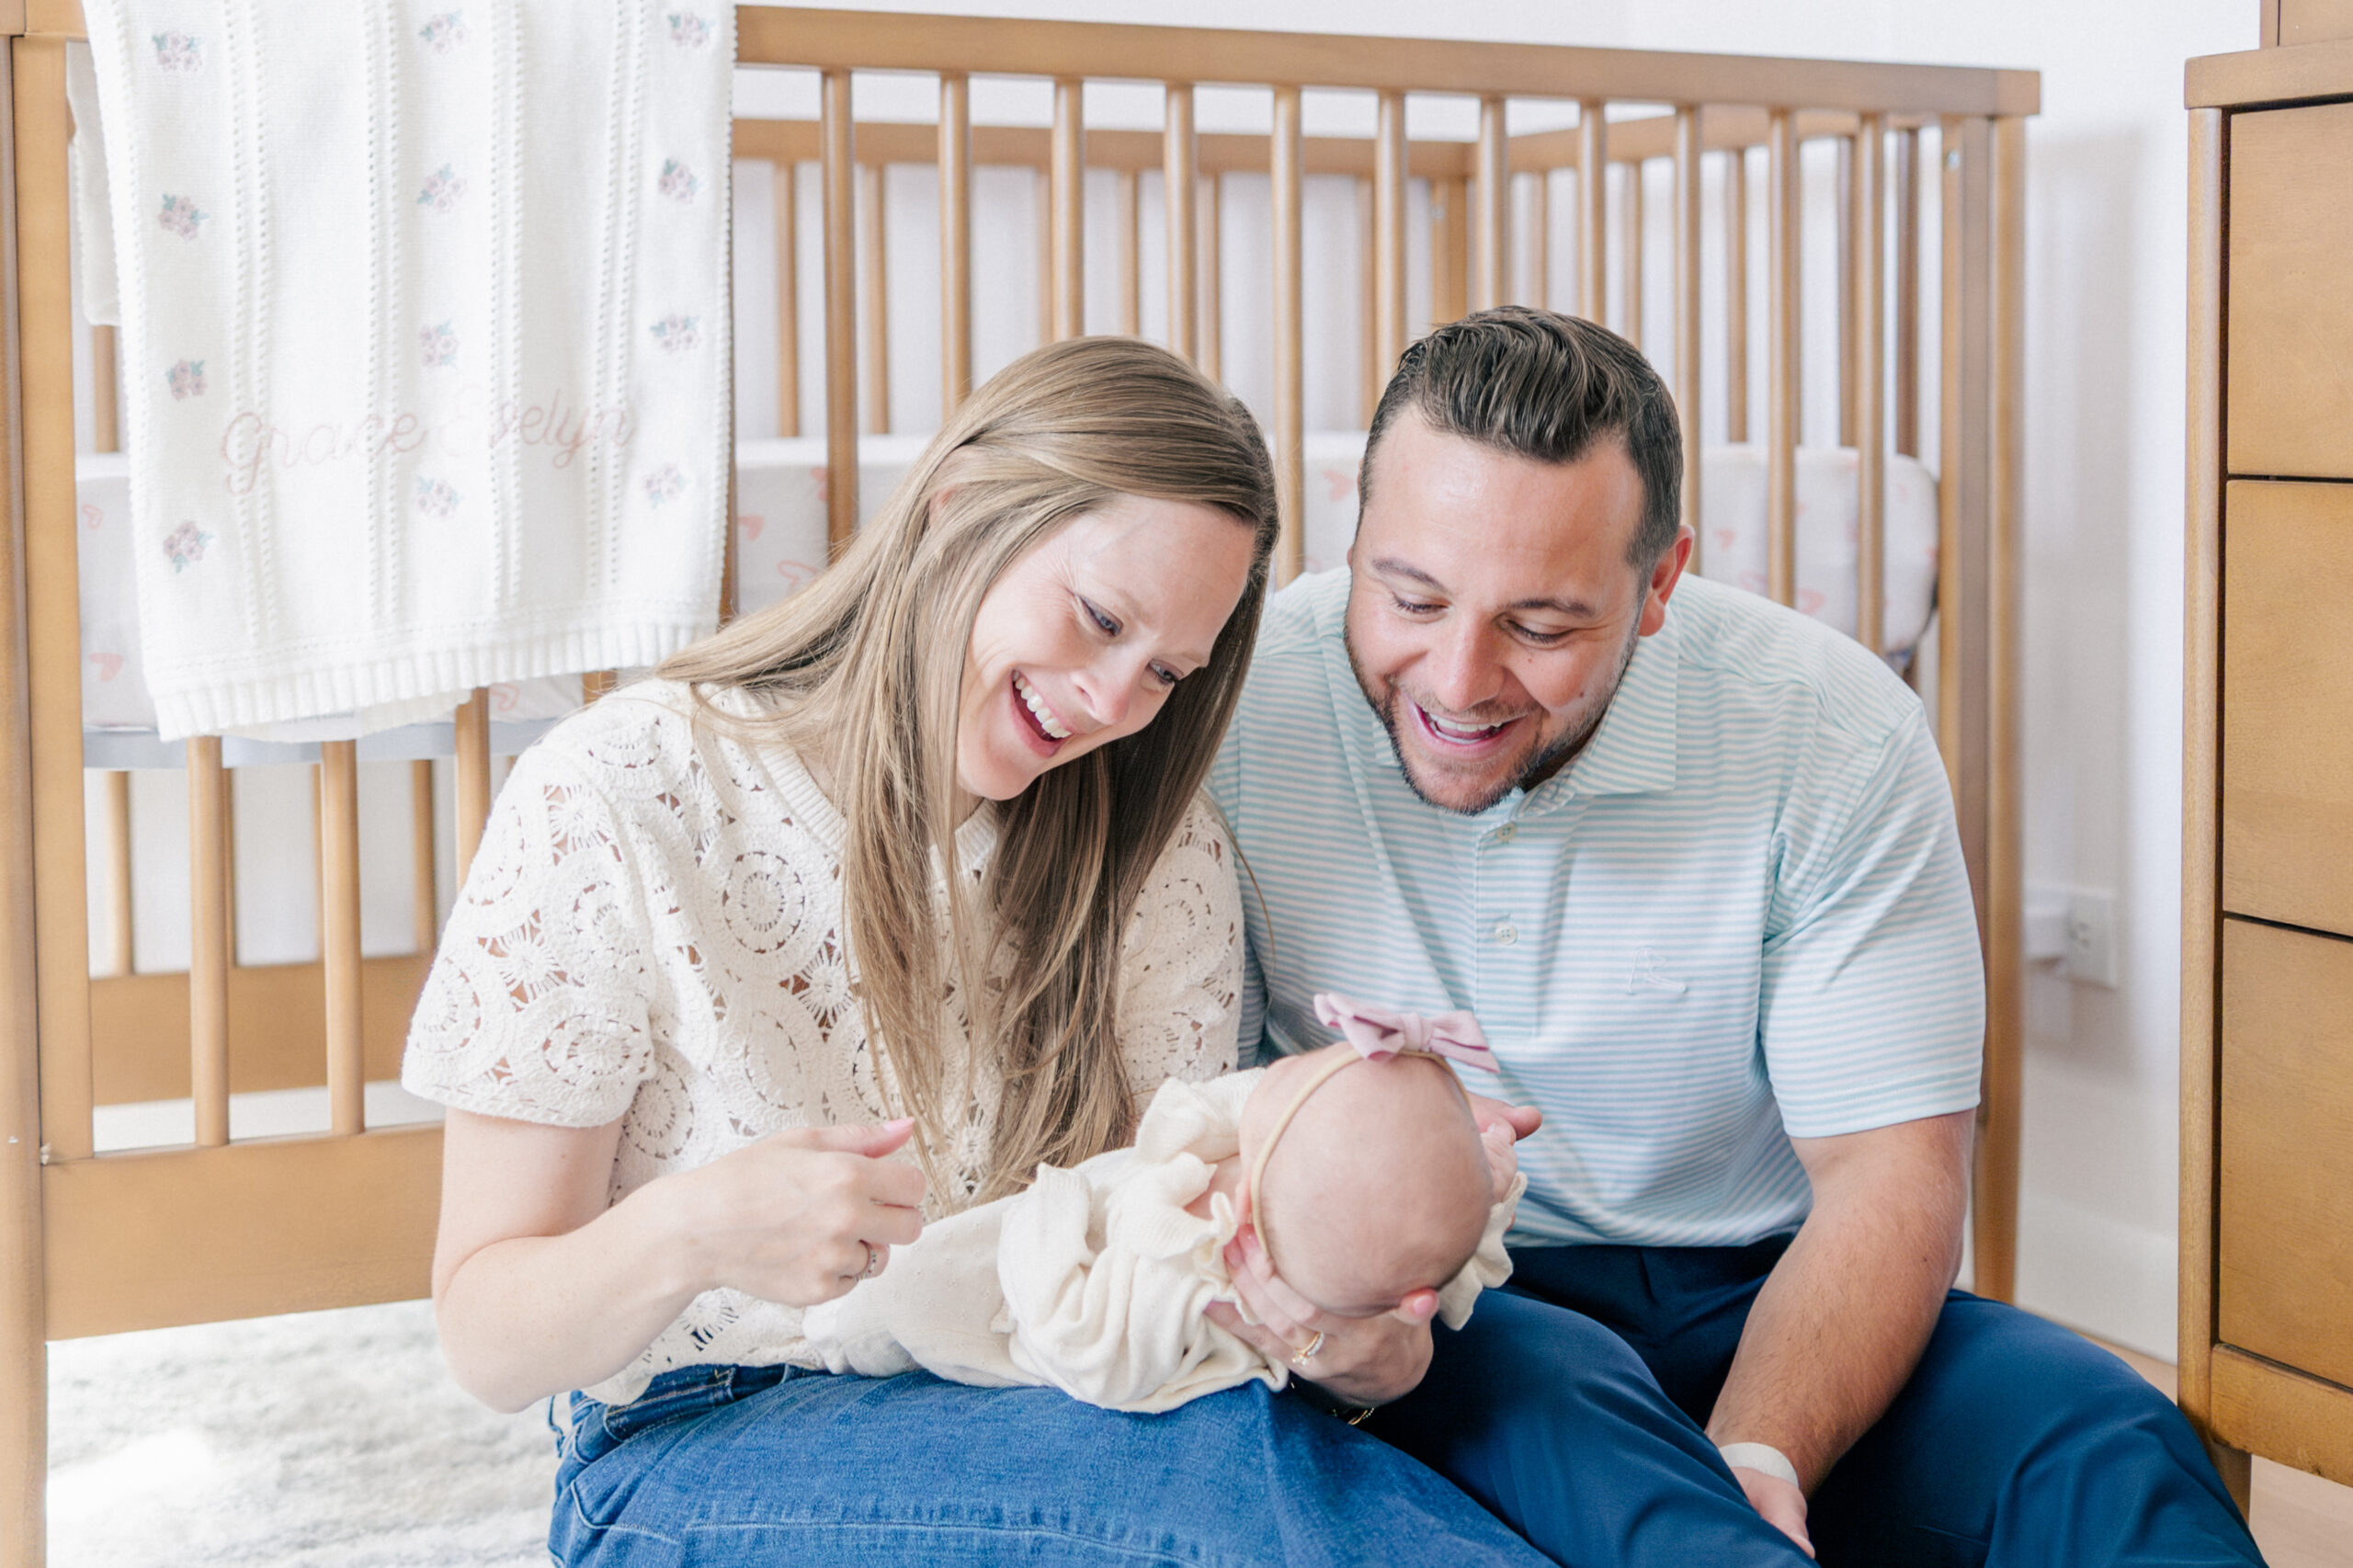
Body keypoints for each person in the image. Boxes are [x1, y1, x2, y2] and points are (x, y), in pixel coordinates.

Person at [402, 336, 1553, 1568]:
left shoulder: (1161, 866)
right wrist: (694, 1230)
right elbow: (486, 1336)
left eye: (1165, 669)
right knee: (1223, 1507)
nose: (1114, 702)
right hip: (698, 1439)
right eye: (1098, 617)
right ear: (959, 512)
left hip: (1047, 1397)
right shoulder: (622, 796)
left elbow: (1150, 1275)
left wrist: (1336, 1311)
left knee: (1326, 1457)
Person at [1205, 306, 2266, 1566]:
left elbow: (1889, 1171)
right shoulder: (1233, 703)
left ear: (1660, 584)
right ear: (1357, 535)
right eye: (1413, 595)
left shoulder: (1831, 729)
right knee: (1568, 1411)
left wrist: (1761, 1451)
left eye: (1540, 625)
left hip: (1772, 1278)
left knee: (2104, 1443)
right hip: (1460, 1295)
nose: (1456, 675)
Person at [802, 999, 1525, 1414]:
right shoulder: (1315, 1184)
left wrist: (1044, 1216)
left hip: (1028, 1285)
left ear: (1244, 1207)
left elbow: (1087, 1352)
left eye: (1299, 1072)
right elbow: (1230, 1107)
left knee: (918, 1290)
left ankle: (840, 1331)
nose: (1284, 1066)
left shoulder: (1183, 1270)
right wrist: (1482, 1168)